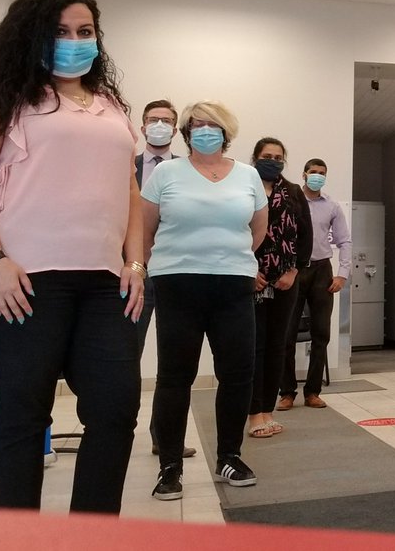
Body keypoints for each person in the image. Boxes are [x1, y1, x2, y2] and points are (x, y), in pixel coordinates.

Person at [0, 0, 145, 513]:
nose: (74, 42)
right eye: (60, 31)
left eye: (85, 31)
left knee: (115, 409)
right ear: (32, 34)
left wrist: (135, 262)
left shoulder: (109, 105)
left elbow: (129, 189)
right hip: (21, 279)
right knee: (24, 415)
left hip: (103, 282)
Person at [142, 100, 269, 501]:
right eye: (196, 125)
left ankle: (229, 456)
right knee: (175, 376)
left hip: (233, 285)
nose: (205, 131)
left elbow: (258, 230)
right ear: (186, 132)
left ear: (226, 132)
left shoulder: (248, 175)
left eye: (212, 125)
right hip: (177, 284)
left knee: (237, 373)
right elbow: (145, 230)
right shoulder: (166, 173)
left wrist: (225, 257)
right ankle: (170, 466)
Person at [133, 99, 196, 459]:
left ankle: (165, 438)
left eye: (167, 120)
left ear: (176, 129)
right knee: (128, 354)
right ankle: (119, 430)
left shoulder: (187, 171)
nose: (159, 125)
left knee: (173, 362)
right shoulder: (125, 166)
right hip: (133, 273)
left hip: (174, 273)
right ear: (142, 126)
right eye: (153, 119)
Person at [247, 138, 312, 439]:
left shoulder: (294, 192)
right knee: (254, 348)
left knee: (277, 346)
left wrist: (293, 270)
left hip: (286, 282)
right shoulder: (243, 186)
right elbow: (235, 231)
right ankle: (253, 414)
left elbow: (305, 236)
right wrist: (250, 270)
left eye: (277, 157)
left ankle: (267, 412)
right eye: (266, 156)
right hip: (250, 279)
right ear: (255, 157)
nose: (272, 161)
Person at [278, 157, 351, 410]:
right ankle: (287, 392)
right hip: (294, 270)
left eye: (322, 172)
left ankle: (312, 392)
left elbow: (344, 241)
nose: (317, 176)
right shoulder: (291, 202)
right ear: (304, 174)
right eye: (313, 171)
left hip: (322, 270)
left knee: (321, 333)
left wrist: (342, 274)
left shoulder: (332, 206)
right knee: (286, 334)